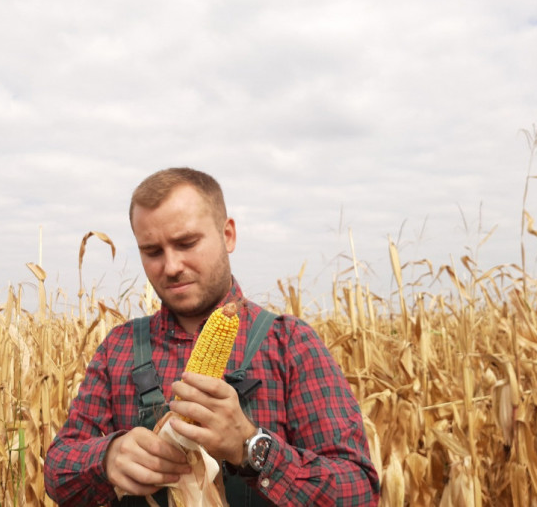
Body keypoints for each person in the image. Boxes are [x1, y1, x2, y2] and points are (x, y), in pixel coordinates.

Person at [44, 167, 380, 506]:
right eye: (153, 251)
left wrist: (250, 447)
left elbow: (359, 491)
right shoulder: (119, 348)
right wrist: (107, 457)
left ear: (228, 234)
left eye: (186, 243)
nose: (172, 266)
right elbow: (58, 471)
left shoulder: (290, 343)